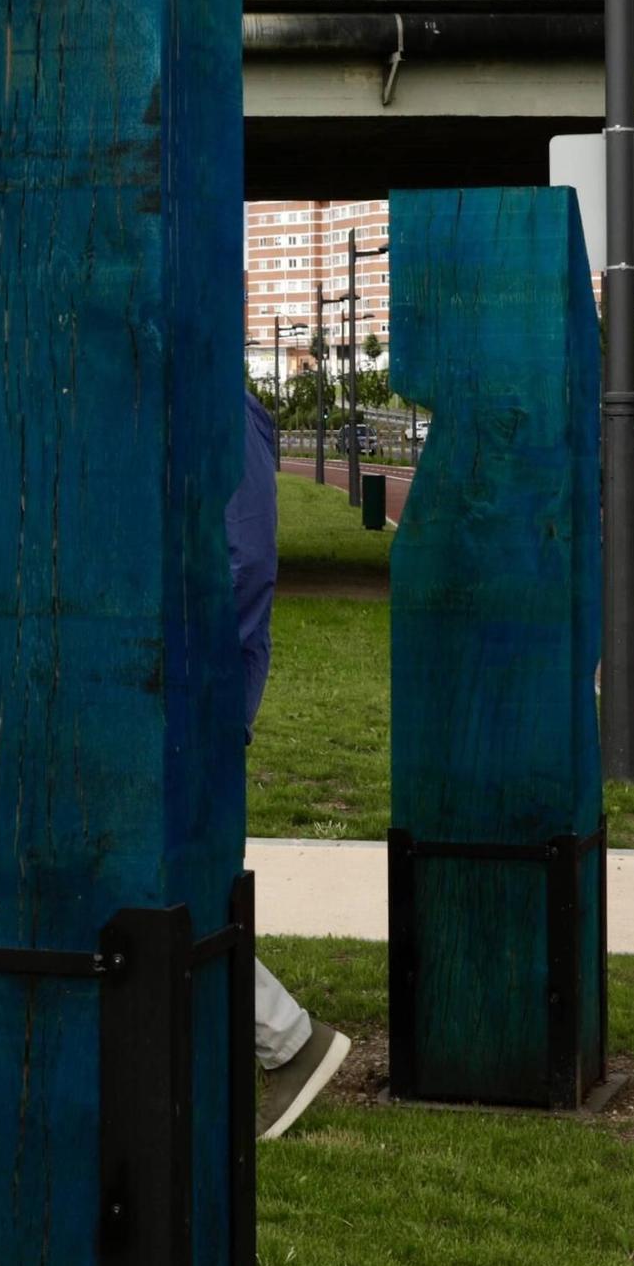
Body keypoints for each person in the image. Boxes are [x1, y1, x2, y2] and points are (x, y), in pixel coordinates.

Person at [226, 389, 351, 1140]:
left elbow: (245, 562)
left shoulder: (217, 401)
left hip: (190, 699)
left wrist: (203, 696)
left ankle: (287, 1041)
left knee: (168, 880)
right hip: (169, 693)